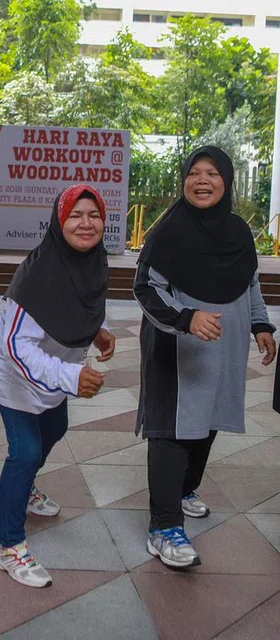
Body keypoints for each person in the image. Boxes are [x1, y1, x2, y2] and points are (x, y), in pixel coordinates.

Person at [135, 145, 276, 569]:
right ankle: (163, 527)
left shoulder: (237, 232)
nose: (202, 180)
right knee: (173, 430)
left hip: (224, 348)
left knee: (209, 421)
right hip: (176, 348)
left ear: (226, 182)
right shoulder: (167, 232)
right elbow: (145, 288)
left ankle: (182, 489)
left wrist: (261, 325)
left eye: (213, 173)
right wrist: (186, 318)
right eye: (194, 172)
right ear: (184, 181)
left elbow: (249, 283)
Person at [0, 184, 114, 588]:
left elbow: (80, 306)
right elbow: (16, 345)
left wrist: (97, 332)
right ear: (59, 221)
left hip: (55, 364)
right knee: (25, 451)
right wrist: (71, 376)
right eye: (76, 215)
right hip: (14, 368)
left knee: (55, 428)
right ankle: (7, 545)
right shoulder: (38, 273)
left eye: (93, 215)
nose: (85, 223)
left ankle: (25, 489)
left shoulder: (94, 260)